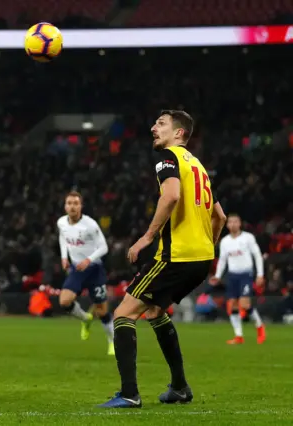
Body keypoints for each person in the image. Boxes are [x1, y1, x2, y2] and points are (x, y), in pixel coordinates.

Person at [99, 110, 227, 409]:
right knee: (155, 311)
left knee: (123, 314)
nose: (153, 128)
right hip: (201, 257)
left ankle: (129, 393)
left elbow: (170, 196)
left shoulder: (168, 158)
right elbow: (219, 216)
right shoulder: (198, 166)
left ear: (179, 134)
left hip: (176, 255)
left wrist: (146, 237)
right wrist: (208, 245)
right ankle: (180, 387)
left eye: (161, 124)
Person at [56, 191, 114, 355]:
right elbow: (63, 237)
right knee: (64, 301)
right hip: (76, 269)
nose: (72, 206)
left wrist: (88, 260)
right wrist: (63, 257)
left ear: (81, 206)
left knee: (102, 311)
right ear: (65, 206)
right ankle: (86, 318)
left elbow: (104, 247)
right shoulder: (61, 222)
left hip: (94, 269)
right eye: (69, 203)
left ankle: (111, 340)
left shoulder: (90, 225)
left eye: (76, 203)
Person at [210, 214, 266, 344]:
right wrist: (218, 276)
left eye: (236, 221)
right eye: (230, 222)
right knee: (233, 306)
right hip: (232, 276)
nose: (233, 224)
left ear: (240, 223)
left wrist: (260, 274)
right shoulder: (225, 241)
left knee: (244, 304)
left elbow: (257, 255)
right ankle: (239, 336)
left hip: (246, 274)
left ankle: (259, 326)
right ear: (227, 224)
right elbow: (223, 260)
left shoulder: (248, 238)